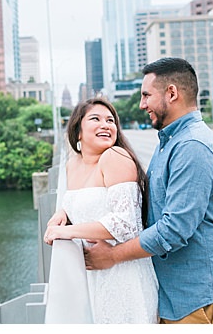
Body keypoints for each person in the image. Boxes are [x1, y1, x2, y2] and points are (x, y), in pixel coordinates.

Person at [83, 57, 213, 324]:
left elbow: (174, 229)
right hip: (177, 295)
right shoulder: (170, 142)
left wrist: (113, 255)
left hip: (200, 296)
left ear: (171, 93)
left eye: (146, 95)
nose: (141, 104)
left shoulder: (193, 146)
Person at [43, 97, 158, 323]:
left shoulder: (115, 157)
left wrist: (68, 231)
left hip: (123, 276)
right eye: (96, 119)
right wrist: (63, 212)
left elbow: (127, 224)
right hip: (92, 275)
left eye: (111, 120)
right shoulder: (72, 164)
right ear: (78, 131)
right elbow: (84, 200)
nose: (106, 125)